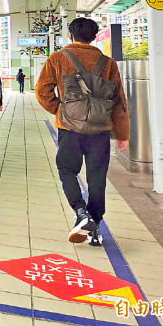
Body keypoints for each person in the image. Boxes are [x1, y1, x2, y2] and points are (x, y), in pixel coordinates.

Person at [35, 17, 129, 246]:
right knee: (97, 178)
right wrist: (122, 134)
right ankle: (95, 227)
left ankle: (81, 213)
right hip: (100, 130)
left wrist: (59, 110)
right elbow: (119, 100)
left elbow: (41, 91)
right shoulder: (107, 62)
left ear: (71, 35)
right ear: (94, 36)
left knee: (67, 170)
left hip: (69, 129)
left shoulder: (57, 58)